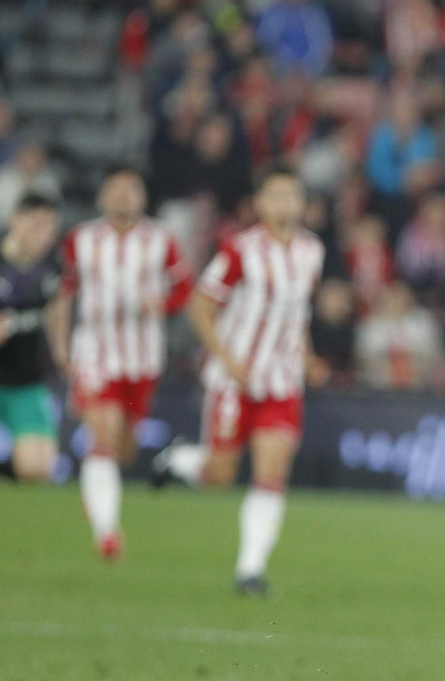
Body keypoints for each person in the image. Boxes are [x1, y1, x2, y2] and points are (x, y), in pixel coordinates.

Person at [150, 171, 325, 595]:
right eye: (276, 195)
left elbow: (296, 314)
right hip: (233, 380)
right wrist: (228, 360)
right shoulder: (240, 250)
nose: (285, 203)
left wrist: (307, 358)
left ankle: (250, 570)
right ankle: (178, 461)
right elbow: (200, 305)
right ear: (260, 202)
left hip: (282, 382)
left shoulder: (311, 251)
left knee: (271, 472)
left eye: (292, 195)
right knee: (219, 475)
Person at [59, 169, 193, 560]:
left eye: (130, 189)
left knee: (124, 448)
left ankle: (98, 492)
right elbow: (64, 293)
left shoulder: (161, 239)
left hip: (142, 357)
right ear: (102, 197)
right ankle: (107, 533)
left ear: (142, 197)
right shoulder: (81, 239)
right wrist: (63, 349)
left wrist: (161, 304)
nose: (122, 196)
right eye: (115, 189)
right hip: (95, 352)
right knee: (102, 436)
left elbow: (184, 287)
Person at [0, 194, 66, 482]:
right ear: (15, 220)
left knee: (37, 470)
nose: (44, 233)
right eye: (36, 224)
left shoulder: (51, 265)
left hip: (25, 381)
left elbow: (58, 306)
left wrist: (62, 351)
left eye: (50, 226)